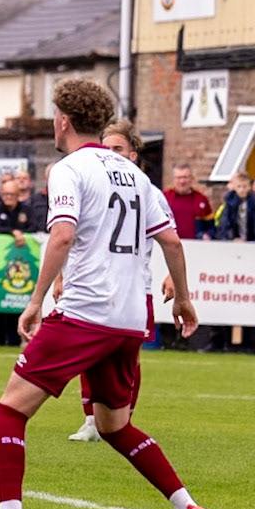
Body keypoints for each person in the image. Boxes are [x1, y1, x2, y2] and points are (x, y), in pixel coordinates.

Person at [0, 78, 214, 509]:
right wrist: (183, 299)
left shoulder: (68, 168)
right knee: (115, 426)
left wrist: (36, 299)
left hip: (85, 312)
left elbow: (62, 235)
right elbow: (172, 241)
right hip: (128, 320)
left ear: (63, 119)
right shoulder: (136, 175)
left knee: (10, 410)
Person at [65, 118, 173, 441]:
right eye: (106, 147)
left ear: (133, 154)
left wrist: (172, 277)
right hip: (95, 284)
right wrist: (61, 275)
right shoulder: (93, 185)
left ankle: (124, 419)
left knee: (130, 357)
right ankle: (90, 420)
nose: (111, 153)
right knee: (88, 351)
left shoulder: (149, 192)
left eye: (118, 148)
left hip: (136, 287)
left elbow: (171, 239)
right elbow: (69, 234)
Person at [0, 176, 34, 348]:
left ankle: (15, 341)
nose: (8, 198)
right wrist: (13, 232)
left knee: (17, 302)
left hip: (22, 263)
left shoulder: (26, 210)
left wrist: (23, 234)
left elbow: (33, 228)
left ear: (18, 194)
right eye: (5, 194)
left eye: (12, 194)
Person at [164, 163, 214, 240]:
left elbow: (211, 227)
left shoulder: (201, 199)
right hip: (170, 246)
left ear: (191, 178)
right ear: (173, 179)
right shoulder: (164, 198)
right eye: (179, 178)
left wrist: (207, 235)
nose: (182, 181)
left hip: (196, 247)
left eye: (185, 177)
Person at [215, 172, 255, 241]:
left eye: (244, 186)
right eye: (239, 186)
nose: (242, 190)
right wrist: (231, 238)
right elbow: (225, 223)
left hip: (250, 240)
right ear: (234, 187)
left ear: (250, 187)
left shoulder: (254, 202)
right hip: (233, 240)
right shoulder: (230, 202)